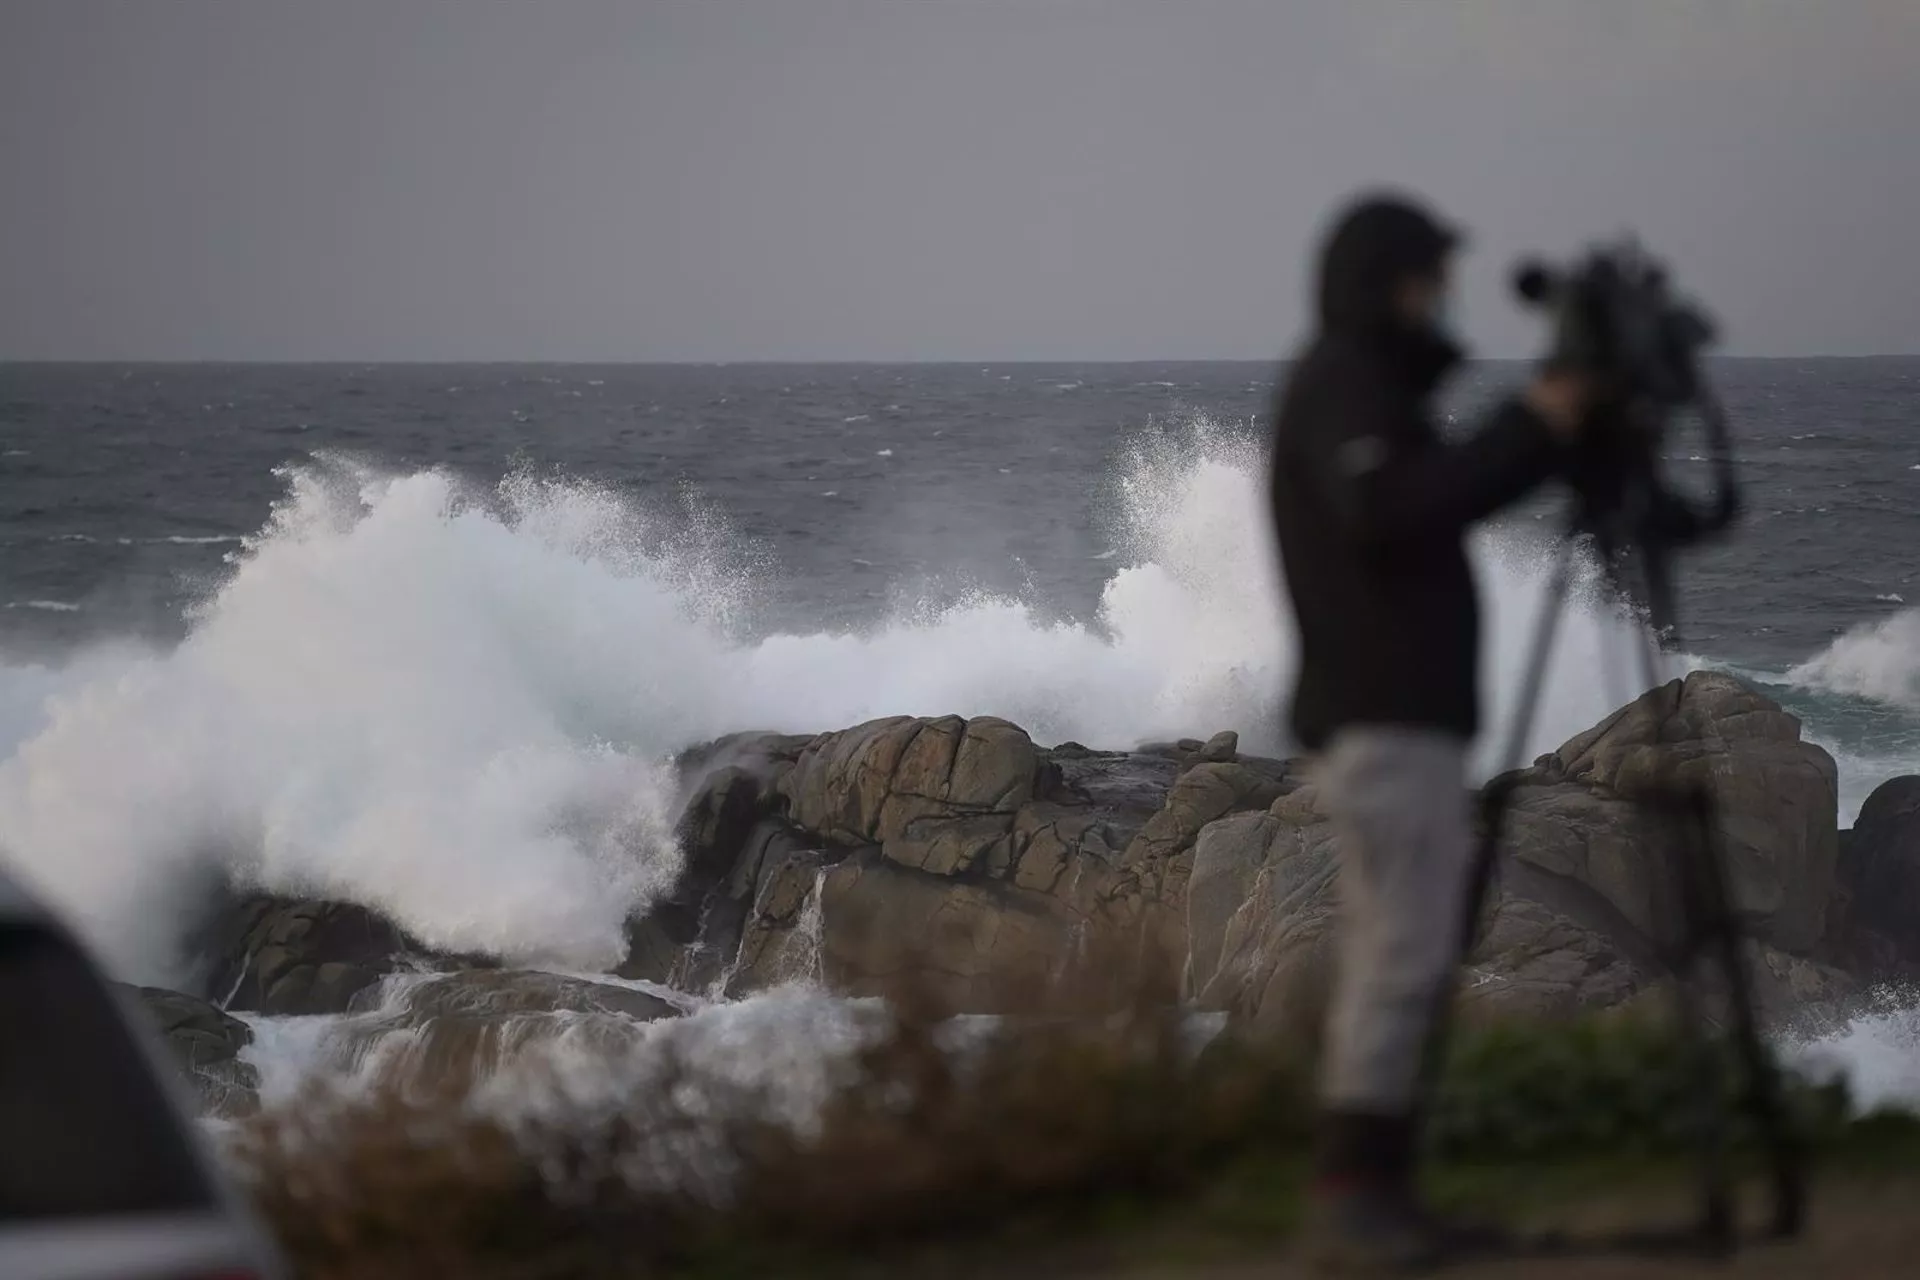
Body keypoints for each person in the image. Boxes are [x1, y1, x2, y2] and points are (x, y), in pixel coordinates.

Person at [1268, 192, 1592, 1270]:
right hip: (1384, 719)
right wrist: (1533, 423)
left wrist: (1544, 438)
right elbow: (1393, 507)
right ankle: (1360, 1197)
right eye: (1427, 280)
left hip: (1396, 720)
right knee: (1405, 949)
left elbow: (1434, 496)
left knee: (1401, 948)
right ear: (1384, 284)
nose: (1439, 300)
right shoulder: (1344, 384)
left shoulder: (1360, 386)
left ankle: (1373, 1187)